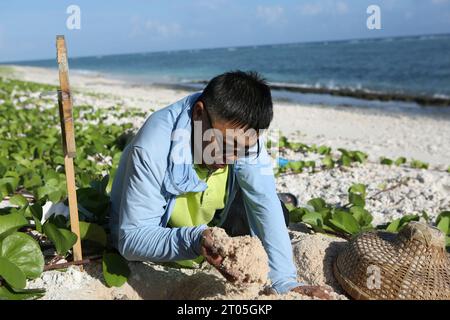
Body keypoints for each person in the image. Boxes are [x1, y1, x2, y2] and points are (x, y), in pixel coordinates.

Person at [109, 70, 330, 299]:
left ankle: (281, 199)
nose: (232, 158)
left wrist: (284, 281)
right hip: (170, 231)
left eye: (242, 150)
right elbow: (131, 239)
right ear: (198, 113)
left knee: (278, 211)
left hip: (215, 217)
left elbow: (263, 199)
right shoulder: (152, 149)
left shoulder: (242, 134)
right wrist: (196, 239)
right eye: (224, 145)